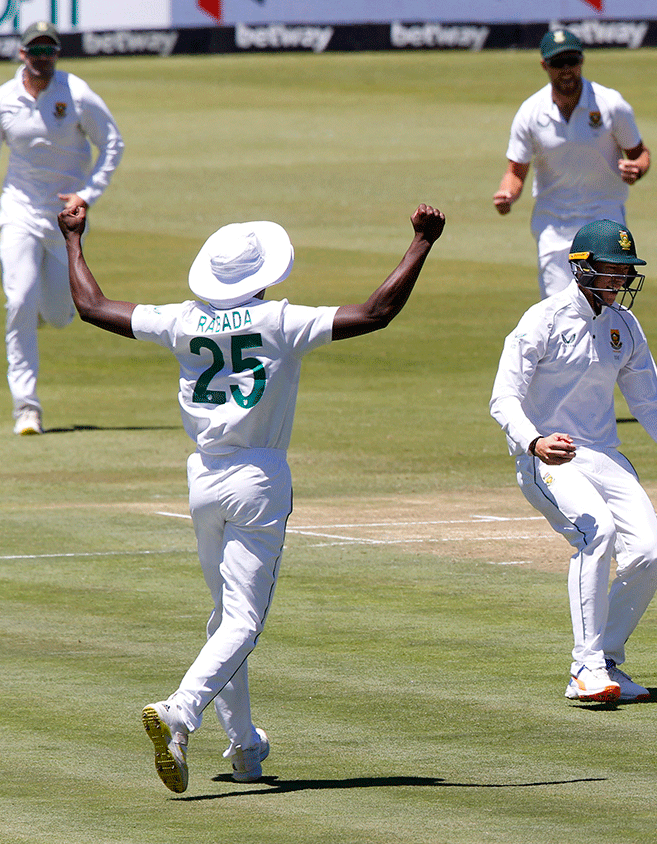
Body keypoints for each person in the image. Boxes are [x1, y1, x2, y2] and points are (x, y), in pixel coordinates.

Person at [58, 200, 445, 792]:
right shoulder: (280, 321)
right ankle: (179, 711)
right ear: (265, 274)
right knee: (243, 619)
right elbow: (375, 312)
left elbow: (90, 306)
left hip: (202, 478)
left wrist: (74, 238)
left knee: (223, 617)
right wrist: (421, 243)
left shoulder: (182, 320)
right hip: (258, 477)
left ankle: (244, 748)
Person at [489, 219, 657, 703]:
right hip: (549, 457)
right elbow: (503, 398)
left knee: (649, 556)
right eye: (612, 269)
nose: (620, 280)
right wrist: (534, 441)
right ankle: (584, 669)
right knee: (596, 532)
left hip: (604, 457)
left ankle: (607, 660)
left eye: (626, 270)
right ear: (582, 268)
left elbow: (649, 405)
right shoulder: (544, 319)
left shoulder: (625, 325)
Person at [1, 21, 124, 435]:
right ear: (21, 54)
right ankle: (26, 408)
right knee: (17, 300)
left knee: (59, 316)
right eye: (35, 50)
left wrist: (86, 194)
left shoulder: (76, 93)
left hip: (66, 220)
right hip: (17, 211)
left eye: (49, 50)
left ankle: (39, 306)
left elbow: (112, 143)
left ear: (56, 54)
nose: (42, 57)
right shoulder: (5, 99)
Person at [492, 29, 651, 300]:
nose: (566, 70)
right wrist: (507, 194)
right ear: (544, 65)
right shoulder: (530, 112)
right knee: (559, 309)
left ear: (582, 61)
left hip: (605, 220)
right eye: (557, 63)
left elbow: (640, 153)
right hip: (554, 224)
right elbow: (515, 172)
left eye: (572, 61)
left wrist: (636, 168)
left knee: (605, 304)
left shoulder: (610, 104)